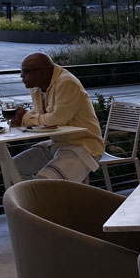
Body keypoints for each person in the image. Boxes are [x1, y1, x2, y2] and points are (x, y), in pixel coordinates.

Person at [9, 52, 104, 183]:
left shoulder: (67, 83)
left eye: (25, 72)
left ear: (42, 72)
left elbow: (57, 120)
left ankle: (45, 199)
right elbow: (40, 115)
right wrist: (22, 119)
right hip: (58, 144)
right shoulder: (37, 87)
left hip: (84, 146)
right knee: (12, 168)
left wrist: (25, 119)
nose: (21, 76)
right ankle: (34, 201)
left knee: (44, 182)